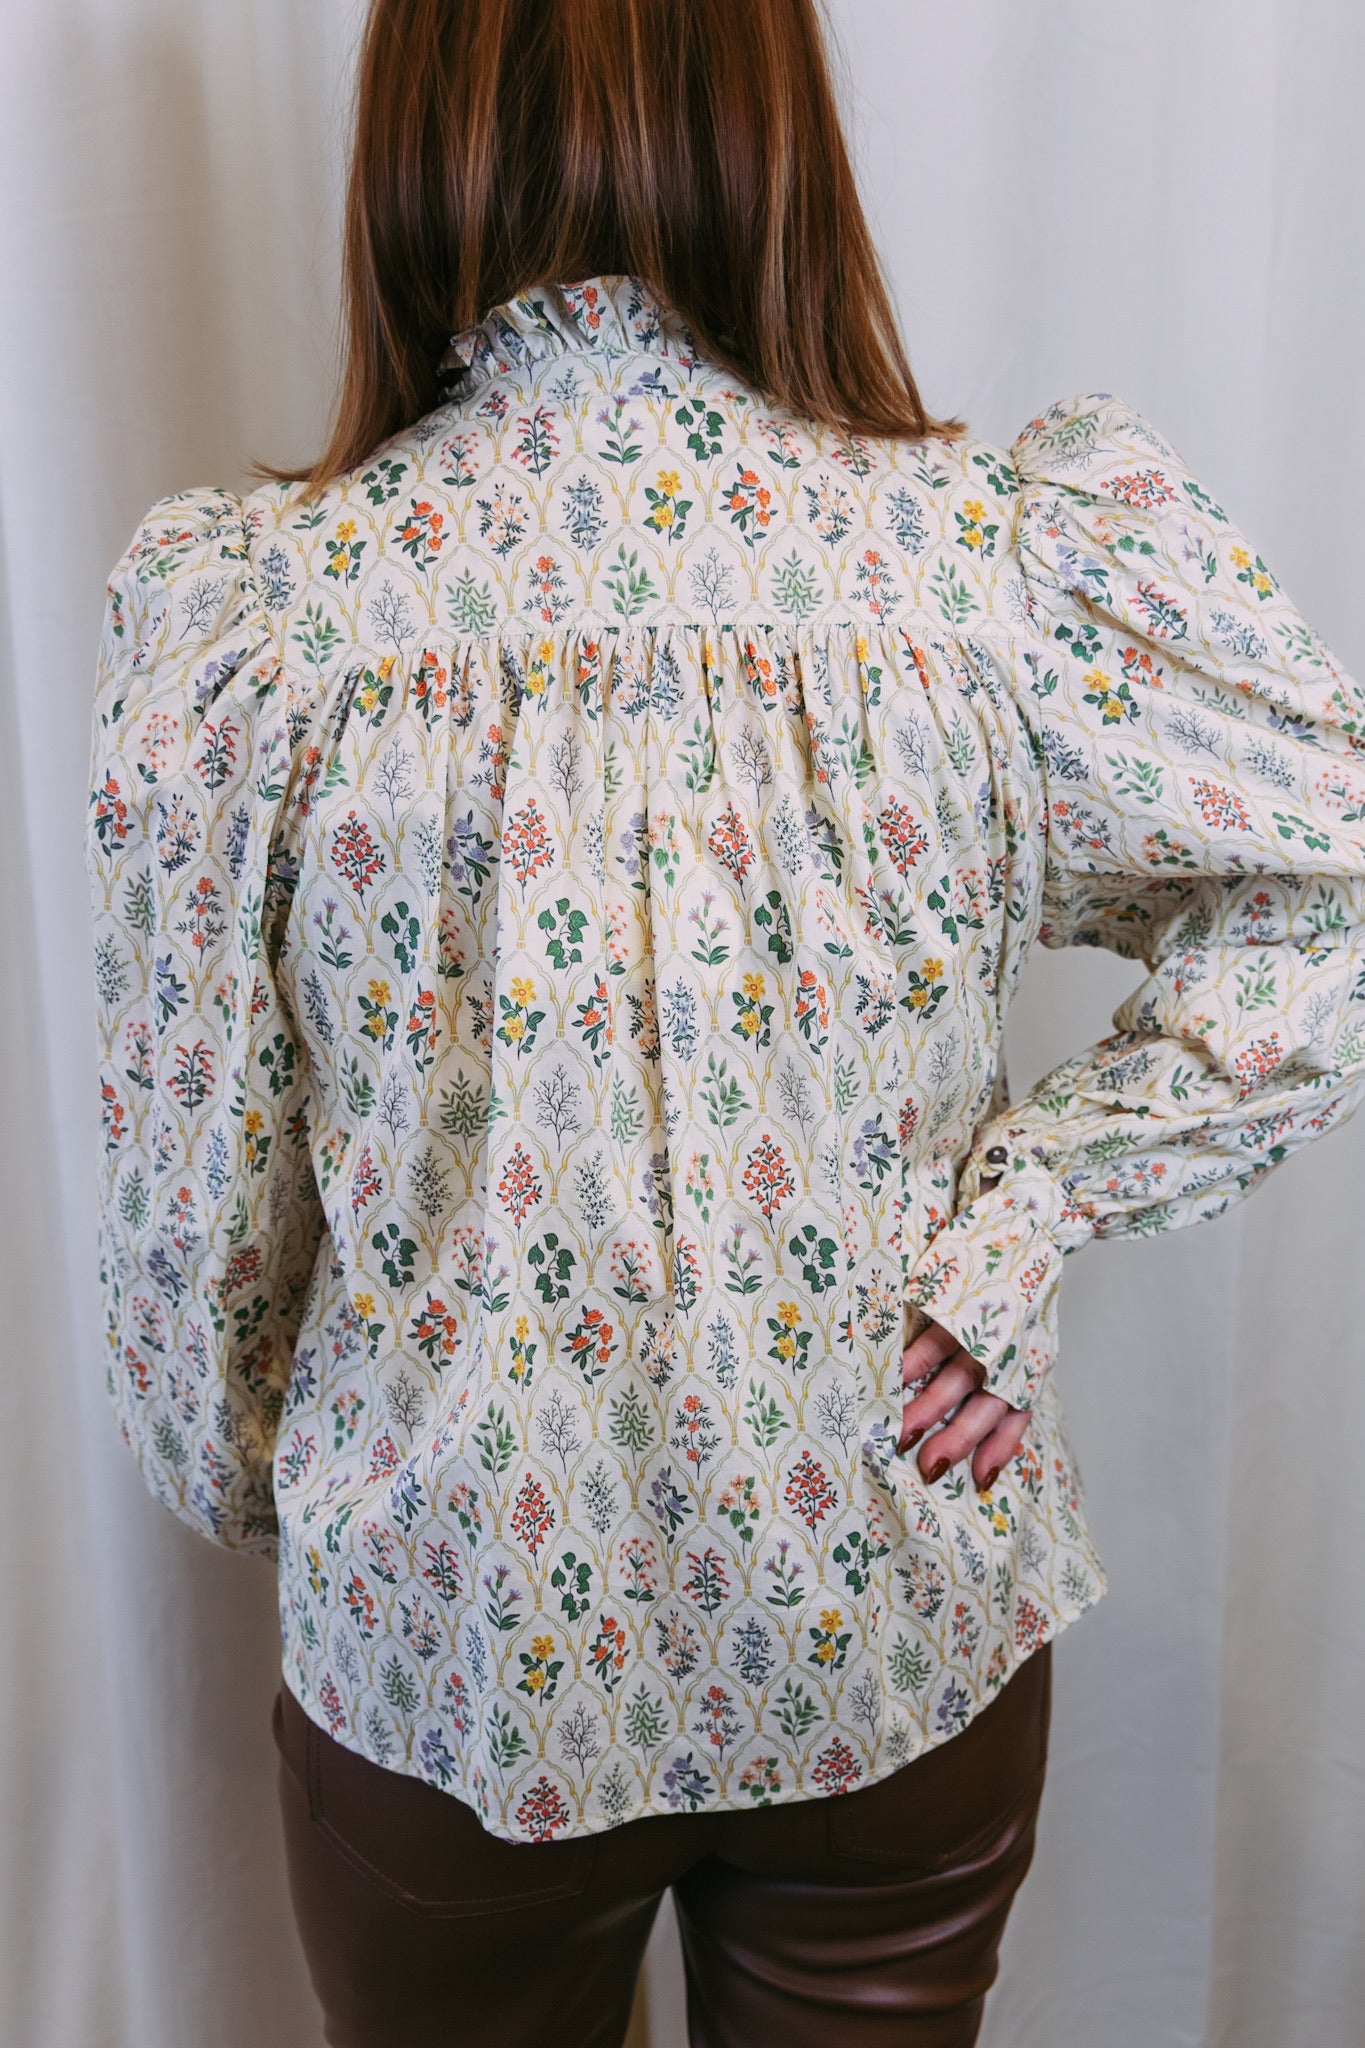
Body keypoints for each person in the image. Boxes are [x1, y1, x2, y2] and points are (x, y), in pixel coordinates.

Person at [83, 1, 1365, 2043]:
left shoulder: (276, 621)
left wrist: (282, 1471)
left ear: (418, 138)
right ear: (774, 130)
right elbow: (1322, 879)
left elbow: (196, 1215)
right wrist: (1020, 1207)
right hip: (887, 1592)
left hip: (456, 1624)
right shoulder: (978, 568)